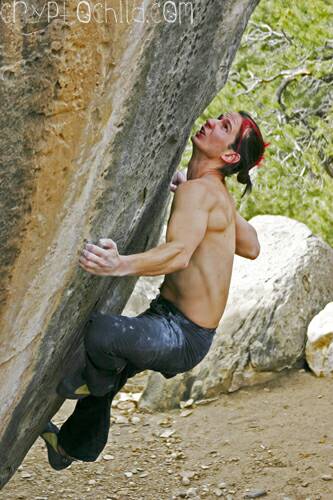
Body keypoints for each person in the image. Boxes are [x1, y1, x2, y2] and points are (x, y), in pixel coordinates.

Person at [41, 111, 267, 470]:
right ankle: (70, 446)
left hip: (182, 335)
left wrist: (119, 264)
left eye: (224, 128)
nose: (212, 122)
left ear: (230, 157)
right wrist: (199, 189)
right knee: (113, 366)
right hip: (173, 322)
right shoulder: (211, 191)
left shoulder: (202, 192)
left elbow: (179, 254)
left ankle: (95, 385)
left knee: (102, 333)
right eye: (219, 118)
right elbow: (252, 244)